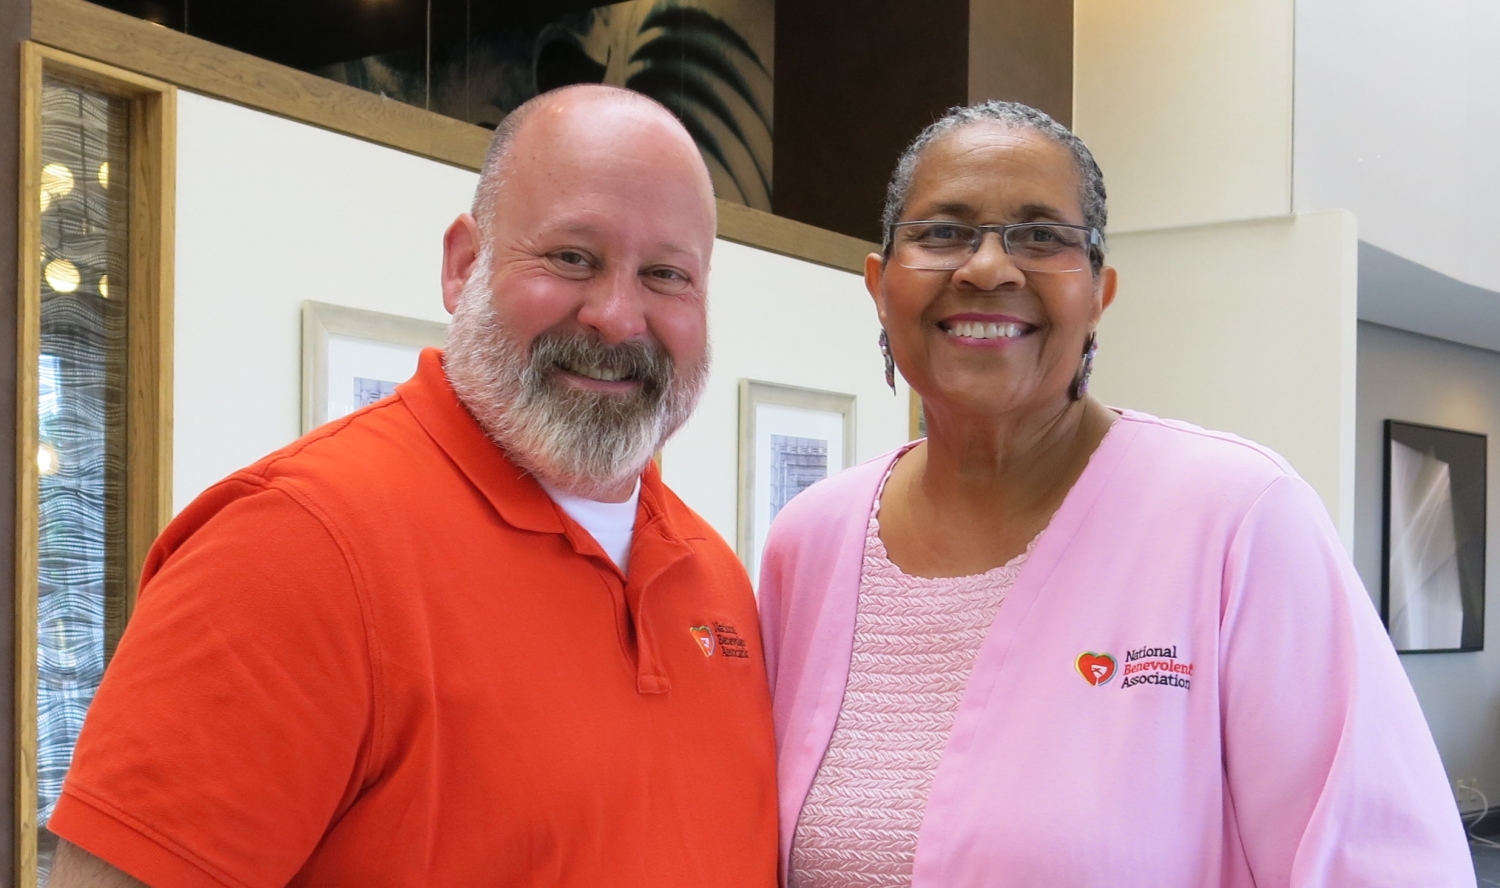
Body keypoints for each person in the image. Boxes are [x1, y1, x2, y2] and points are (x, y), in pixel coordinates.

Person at [46, 84, 778, 887]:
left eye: (667, 275)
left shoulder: (714, 576)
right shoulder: (290, 547)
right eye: (573, 257)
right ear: (464, 265)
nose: (616, 314)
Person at [758, 100, 1473, 887]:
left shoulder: (1238, 519)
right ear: (879, 282)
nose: (988, 268)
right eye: (943, 232)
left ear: (1099, 291)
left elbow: (1383, 867)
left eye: (1041, 237)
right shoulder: (811, 542)